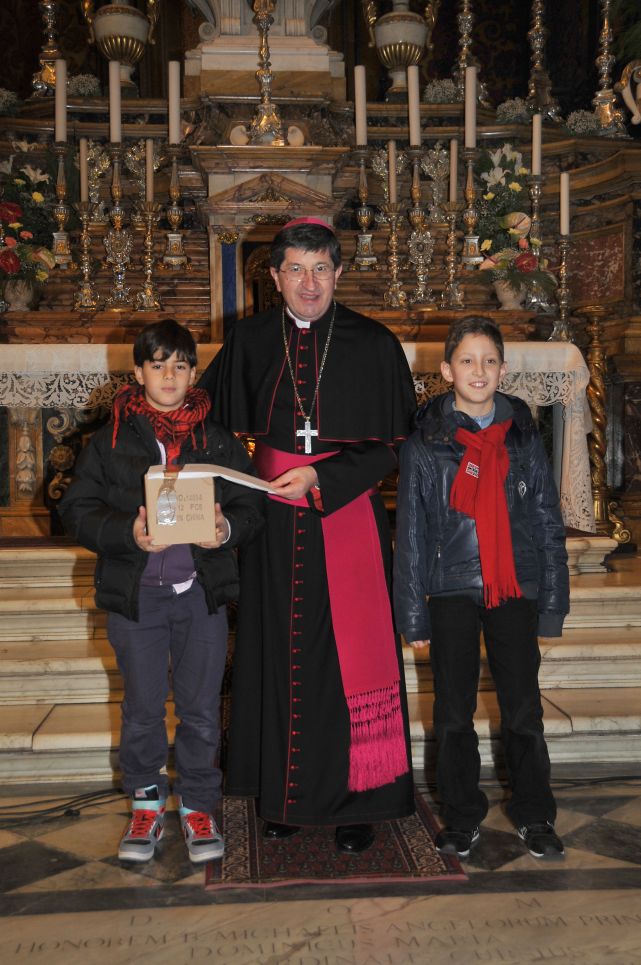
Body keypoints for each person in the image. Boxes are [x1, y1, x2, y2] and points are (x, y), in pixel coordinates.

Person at [199, 218, 417, 853]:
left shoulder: (372, 344)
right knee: (275, 653)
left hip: (345, 516)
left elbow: (393, 444)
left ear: (338, 273)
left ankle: (358, 803)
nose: (309, 283)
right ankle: (283, 797)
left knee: (343, 661)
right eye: (295, 269)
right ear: (274, 277)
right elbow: (208, 426)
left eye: (320, 269)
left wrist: (323, 478)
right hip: (269, 523)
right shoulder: (249, 340)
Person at [59, 319, 264, 865]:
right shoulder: (109, 440)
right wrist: (126, 532)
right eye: (158, 365)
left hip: (199, 596)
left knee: (200, 711)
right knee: (143, 710)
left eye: (180, 365)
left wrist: (225, 530)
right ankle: (146, 804)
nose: (169, 375)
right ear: (138, 372)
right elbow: (76, 510)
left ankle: (198, 805)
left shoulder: (215, 439)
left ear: (194, 373)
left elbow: (251, 505)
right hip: (138, 599)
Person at [393, 315, 569, 861]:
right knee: (453, 711)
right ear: (447, 370)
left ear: (503, 370)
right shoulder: (425, 444)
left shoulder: (523, 438)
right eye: (467, 360)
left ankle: (535, 812)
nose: (478, 370)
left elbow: (547, 520)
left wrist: (553, 602)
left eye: (489, 360)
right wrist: (413, 615)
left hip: (514, 585)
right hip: (450, 589)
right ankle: (462, 813)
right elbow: (411, 533)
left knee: (522, 709)